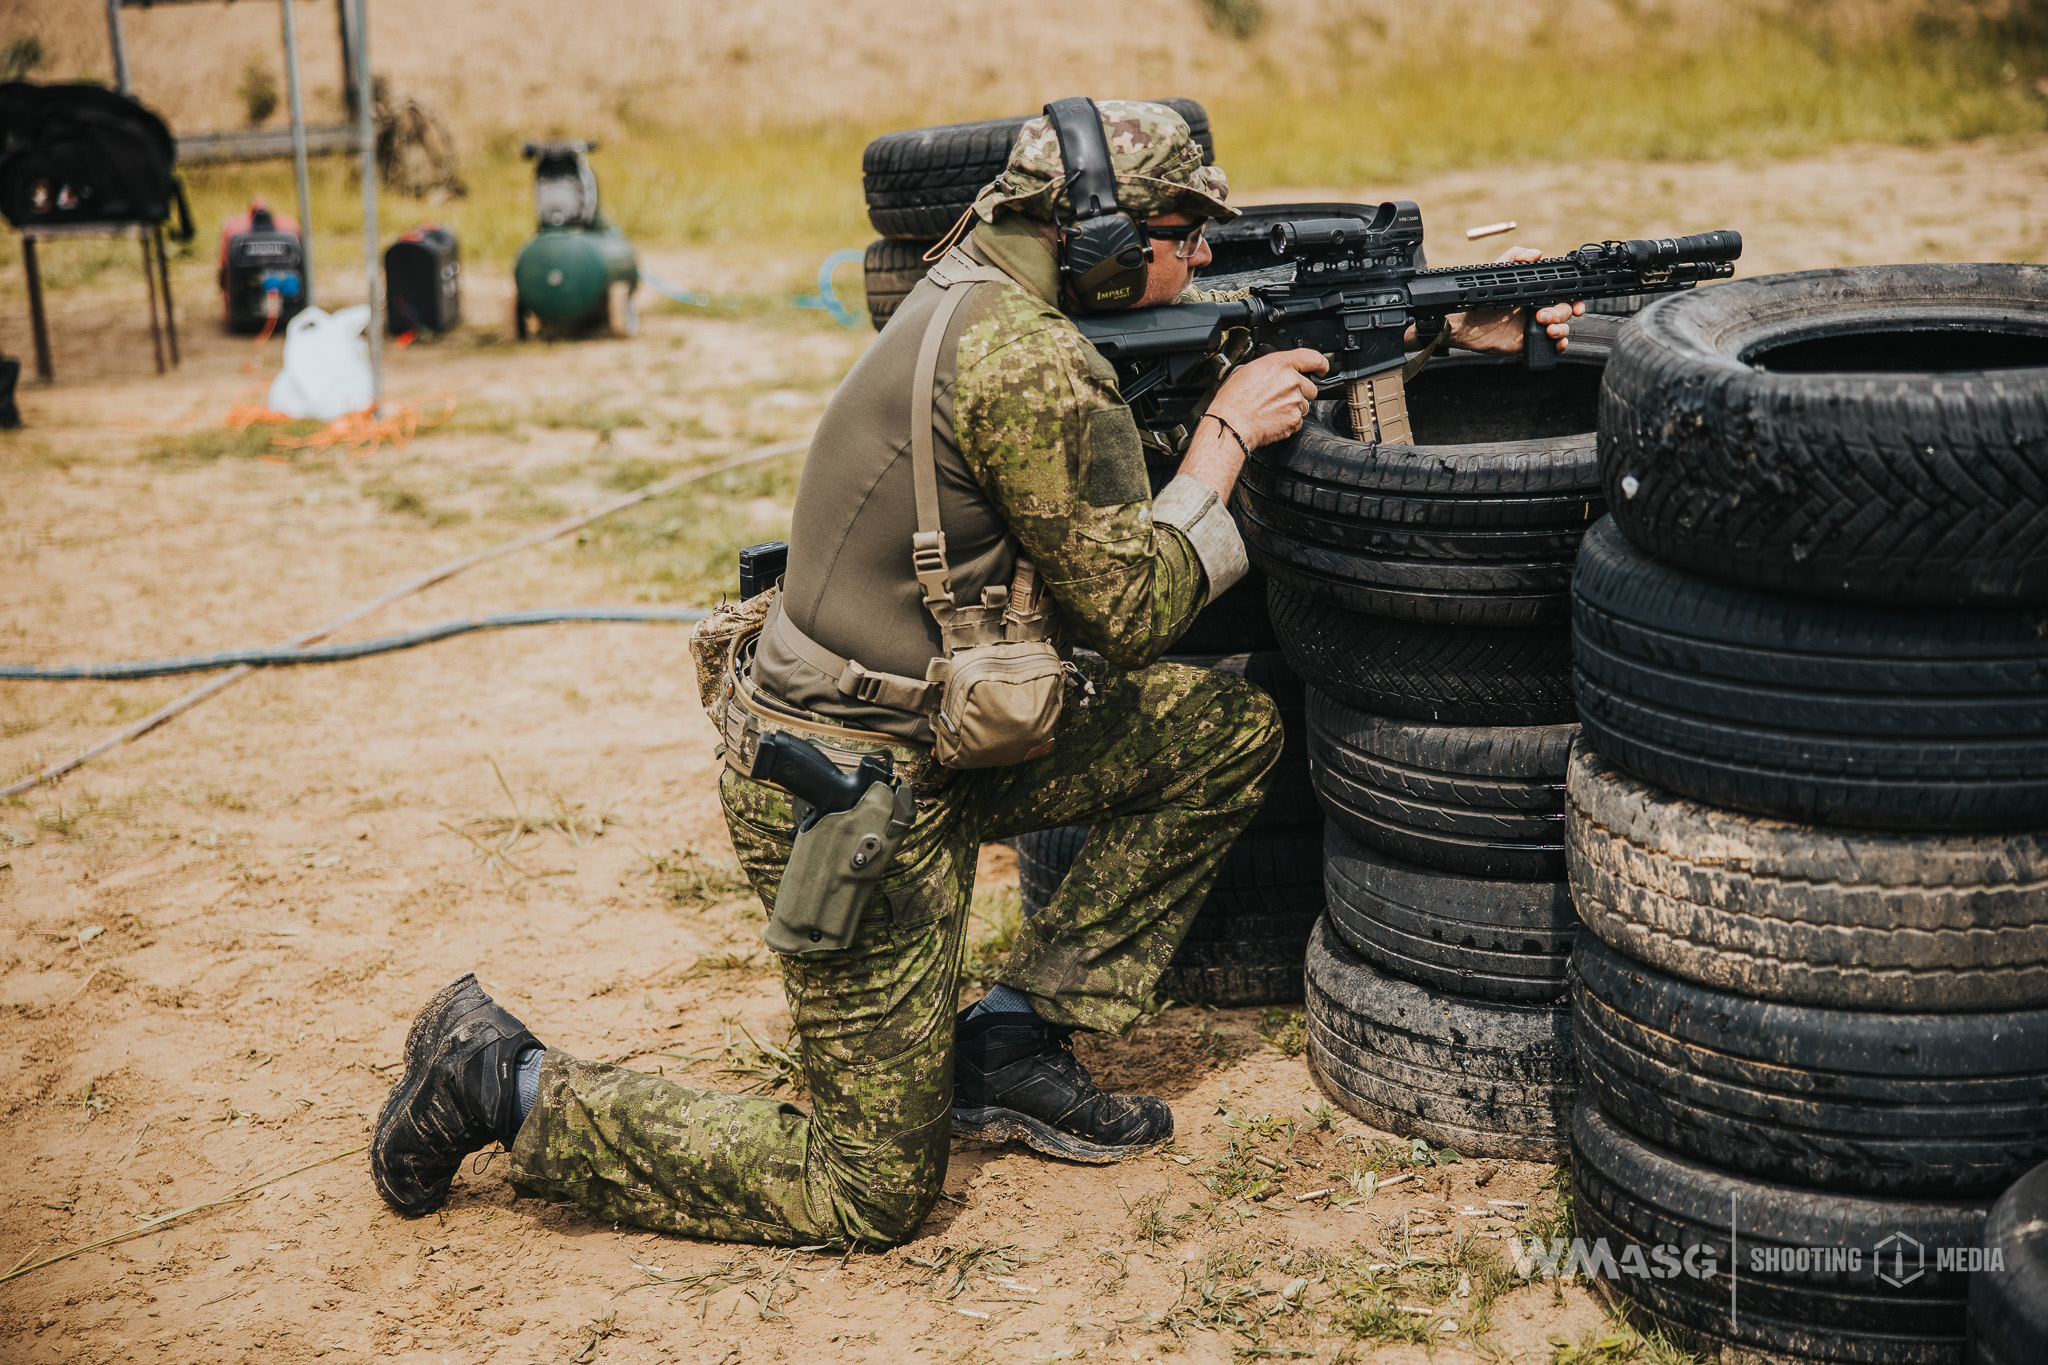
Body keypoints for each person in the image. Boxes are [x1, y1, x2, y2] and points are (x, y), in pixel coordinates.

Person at [369, 99, 1579, 1249]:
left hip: (943, 737)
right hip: (846, 795)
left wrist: (1435, 340)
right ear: (1097, 238)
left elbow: (1139, 418)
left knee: (1225, 732)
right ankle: (502, 1081)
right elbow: (1132, 607)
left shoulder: (976, 285)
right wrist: (1222, 440)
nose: (1199, 260)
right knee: (863, 1193)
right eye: (1178, 237)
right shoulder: (1028, 363)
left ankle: (1008, 1036)